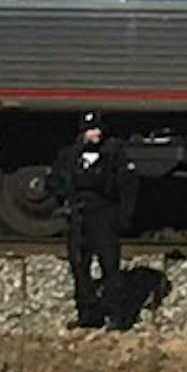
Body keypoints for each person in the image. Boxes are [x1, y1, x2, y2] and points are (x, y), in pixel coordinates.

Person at [48, 112, 137, 330]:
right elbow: (55, 179)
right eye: (90, 129)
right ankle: (87, 313)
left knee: (109, 265)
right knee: (79, 264)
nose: (95, 134)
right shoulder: (70, 154)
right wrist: (62, 198)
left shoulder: (114, 153)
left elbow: (128, 185)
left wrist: (125, 216)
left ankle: (118, 315)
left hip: (104, 213)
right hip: (79, 214)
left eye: (97, 129)